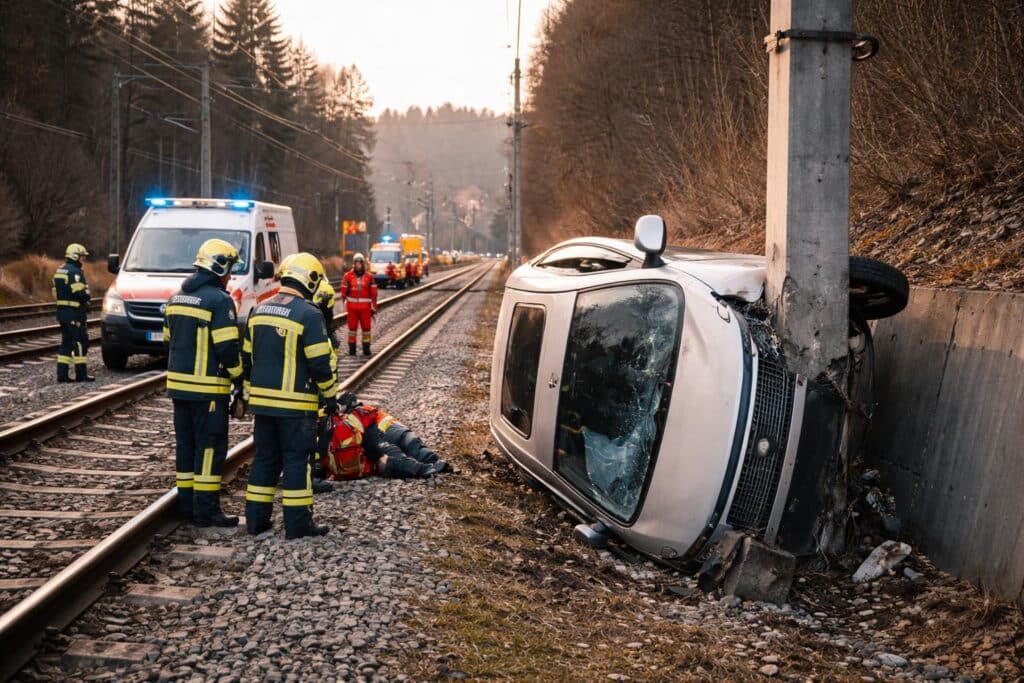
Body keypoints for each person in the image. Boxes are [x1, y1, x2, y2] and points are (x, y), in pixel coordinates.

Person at [242, 252, 338, 539]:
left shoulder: (258, 310)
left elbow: (247, 357)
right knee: (297, 462)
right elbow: (320, 363)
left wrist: (248, 395)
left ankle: (256, 521)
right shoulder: (309, 314)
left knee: (265, 460)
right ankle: (298, 525)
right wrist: (331, 397)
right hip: (296, 407)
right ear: (309, 280)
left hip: (263, 405)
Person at [164, 239, 244, 527]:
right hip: (208, 392)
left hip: (178, 388)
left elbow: (167, 339)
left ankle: (187, 505)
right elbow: (226, 348)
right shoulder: (220, 301)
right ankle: (207, 510)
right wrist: (239, 375)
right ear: (218, 266)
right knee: (210, 449)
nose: (230, 276)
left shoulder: (175, 299)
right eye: (230, 269)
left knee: (186, 446)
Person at [316, 391, 450, 480]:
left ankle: (424, 466)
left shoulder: (318, 427)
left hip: (357, 462)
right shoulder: (354, 417)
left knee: (387, 456)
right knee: (399, 446)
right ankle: (427, 464)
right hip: (366, 446)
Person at [53, 243, 94, 382]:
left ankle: (62, 376)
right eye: (82, 257)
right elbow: (81, 293)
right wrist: (87, 298)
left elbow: (55, 292)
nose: (83, 260)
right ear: (75, 256)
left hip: (62, 313)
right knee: (81, 342)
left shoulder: (60, 270)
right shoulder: (75, 272)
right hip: (75, 313)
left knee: (66, 343)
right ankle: (81, 375)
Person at [341, 253, 377, 356]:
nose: (358, 265)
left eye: (360, 263)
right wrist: (344, 303)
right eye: (356, 263)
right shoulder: (347, 276)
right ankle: (352, 350)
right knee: (352, 329)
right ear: (353, 264)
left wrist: (374, 306)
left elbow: (374, 294)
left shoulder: (369, 277)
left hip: (365, 309)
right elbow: (343, 291)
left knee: (366, 329)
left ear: (363, 263)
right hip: (352, 308)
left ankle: (366, 349)